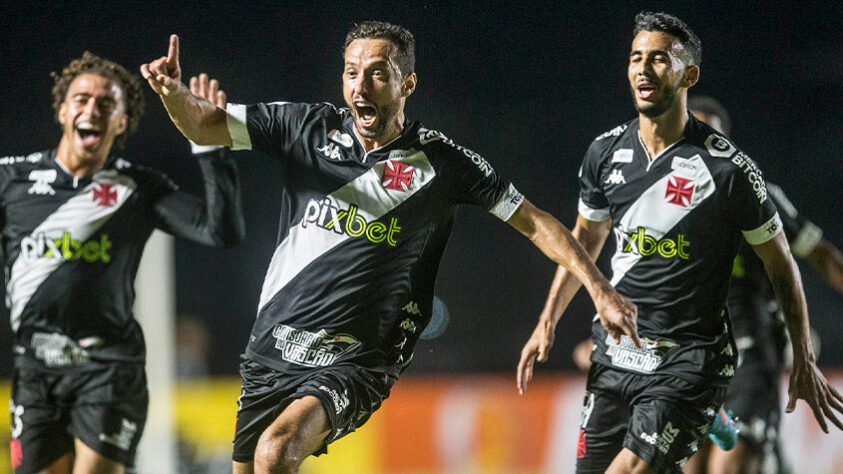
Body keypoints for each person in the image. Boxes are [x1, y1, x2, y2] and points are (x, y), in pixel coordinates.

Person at [140, 21, 638, 473]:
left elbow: (537, 222)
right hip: (271, 349)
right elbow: (204, 124)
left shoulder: (442, 163)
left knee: (277, 451)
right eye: (352, 72)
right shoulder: (303, 127)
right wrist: (172, 93)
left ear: (407, 84)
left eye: (378, 74)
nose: (361, 86)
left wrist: (599, 289)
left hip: (356, 360)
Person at [516, 11, 843, 474]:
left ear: (688, 74)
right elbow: (583, 240)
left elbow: (787, 263)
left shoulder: (733, 173)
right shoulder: (606, 153)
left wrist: (804, 358)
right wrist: (548, 320)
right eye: (636, 57)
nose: (644, 68)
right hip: (622, 356)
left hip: (701, 359)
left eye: (659, 59)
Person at [4, 52, 245, 473]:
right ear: (63, 110)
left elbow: (220, 230)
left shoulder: (137, 188)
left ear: (121, 121)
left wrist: (209, 145)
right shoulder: (12, 180)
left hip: (109, 371)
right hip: (35, 372)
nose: (91, 110)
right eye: (81, 99)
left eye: (105, 104)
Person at [681, 96, 843, 473]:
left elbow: (821, 255)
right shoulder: (657, 201)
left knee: (731, 465)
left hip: (751, 353)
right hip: (689, 359)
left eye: (709, 138)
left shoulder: (757, 194)